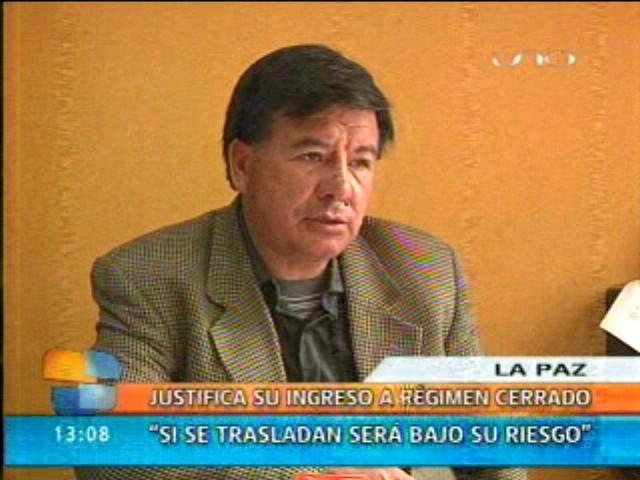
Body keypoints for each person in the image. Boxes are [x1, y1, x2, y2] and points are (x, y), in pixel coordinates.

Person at [76, 45, 526, 480]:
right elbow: (111, 451)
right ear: (243, 165)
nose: (341, 188)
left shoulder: (425, 269)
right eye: (313, 157)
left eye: (361, 162)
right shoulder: (149, 277)